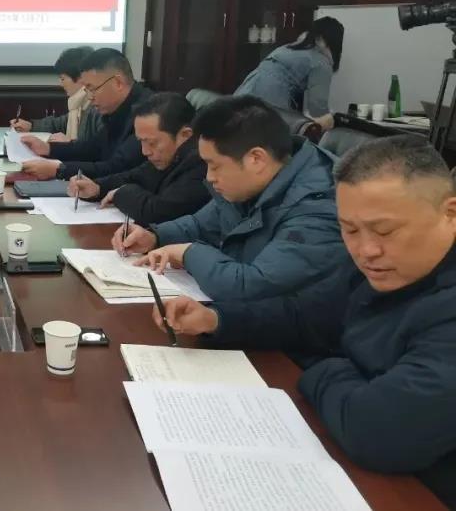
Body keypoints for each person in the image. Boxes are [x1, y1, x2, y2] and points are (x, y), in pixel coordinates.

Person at [158, 136, 456, 506]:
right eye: (349, 230)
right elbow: (304, 315)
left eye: (385, 231)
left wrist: (324, 366)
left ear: (450, 213)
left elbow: (378, 433)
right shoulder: (379, 266)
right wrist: (216, 319)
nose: (366, 250)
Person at [117, 95, 344, 300]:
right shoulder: (252, 181)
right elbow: (200, 224)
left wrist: (188, 254)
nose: (209, 177)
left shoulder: (317, 208)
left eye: (214, 166)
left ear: (256, 159)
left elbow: (252, 285)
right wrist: (155, 236)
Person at [66, 92, 208, 226]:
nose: (145, 151)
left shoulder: (203, 162)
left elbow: (157, 212)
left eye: (151, 143)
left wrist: (121, 193)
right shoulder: (170, 156)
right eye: (141, 142)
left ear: (185, 135)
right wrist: (97, 188)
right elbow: (135, 176)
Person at [20, 49, 151, 181]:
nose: (89, 97)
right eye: (86, 90)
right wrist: (48, 148)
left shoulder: (147, 113)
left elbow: (116, 168)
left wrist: (59, 170)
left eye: (92, 89)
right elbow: (93, 148)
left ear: (118, 83)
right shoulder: (115, 109)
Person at [235, 16, 344, 131]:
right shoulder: (321, 62)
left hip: (245, 90)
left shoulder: (289, 48)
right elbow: (318, 110)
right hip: (268, 99)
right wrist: (331, 119)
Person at [10, 45, 96, 143]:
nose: (61, 84)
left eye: (63, 79)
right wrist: (31, 126)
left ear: (81, 77)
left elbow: (96, 147)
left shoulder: (96, 107)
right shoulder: (78, 105)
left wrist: (70, 143)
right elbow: (59, 124)